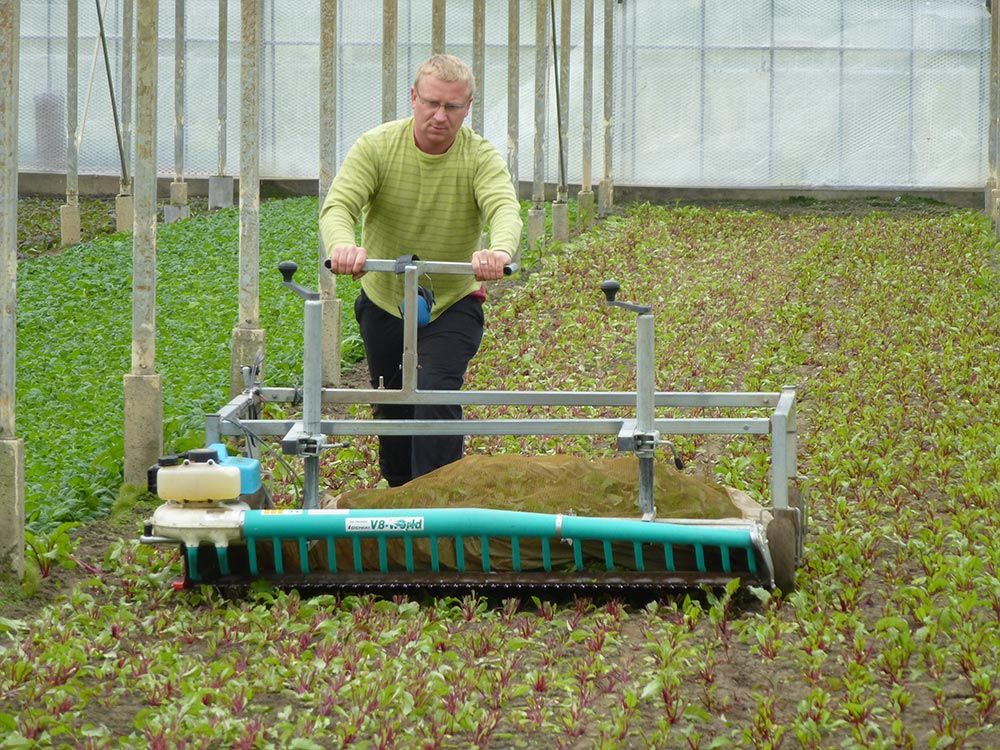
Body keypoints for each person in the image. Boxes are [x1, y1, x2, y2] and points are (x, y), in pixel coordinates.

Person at [320, 54, 522, 487]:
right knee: (393, 403)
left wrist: (499, 251)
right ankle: (399, 497)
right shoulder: (377, 146)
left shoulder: (479, 156)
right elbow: (340, 205)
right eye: (431, 102)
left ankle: (436, 503)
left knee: (435, 392)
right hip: (383, 299)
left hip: (451, 301)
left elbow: (504, 206)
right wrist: (342, 244)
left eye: (452, 107)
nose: (439, 116)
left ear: (468, 107)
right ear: (413, 97)